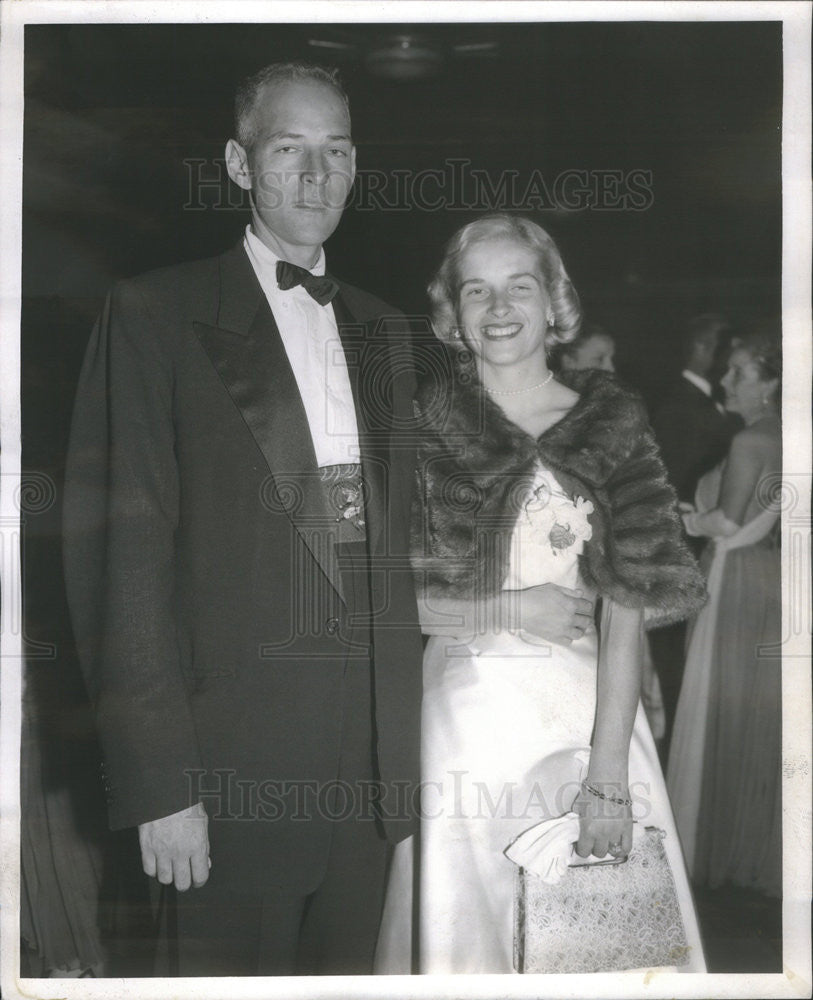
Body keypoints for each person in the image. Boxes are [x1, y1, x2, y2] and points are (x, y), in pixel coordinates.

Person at [62, 62, 425, 976]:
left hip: (370, 783)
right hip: (228, 781)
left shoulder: (386, 330)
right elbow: (122, 560)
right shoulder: (156, 313)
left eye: (336, 151)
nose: (316, 176)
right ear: (237, 162)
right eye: (287, 149)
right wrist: (160, 784)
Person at [374, 214, 708, 974]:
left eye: (517, 287)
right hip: (462, 721)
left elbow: (628, 607)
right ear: (451, 313)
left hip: (589, 717)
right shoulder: (420, 427)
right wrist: (510, 609)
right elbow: (388, 600)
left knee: (605, 941)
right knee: (469, 933)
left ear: (553, 302)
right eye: (476, 291)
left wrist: (607, 778)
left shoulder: (611, 420)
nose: (497, 309)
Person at [667, 329, 782, 898]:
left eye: (740, 372)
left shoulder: (752, 441)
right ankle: (752, 844)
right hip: (769, 576)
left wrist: (686, 517)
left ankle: (714, 846)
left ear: (772, 381)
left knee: (720, 707)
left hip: (732, 576)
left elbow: (729, 524)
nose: (726, 381)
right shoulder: (789, 434)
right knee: (752, 713)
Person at [649, 313, 741, 757]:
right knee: (676, 669)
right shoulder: (679, 408)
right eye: (727, 355)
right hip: (684, 553)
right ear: (705, 349)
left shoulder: (710, 407)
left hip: (713, 553)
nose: (729, 369)